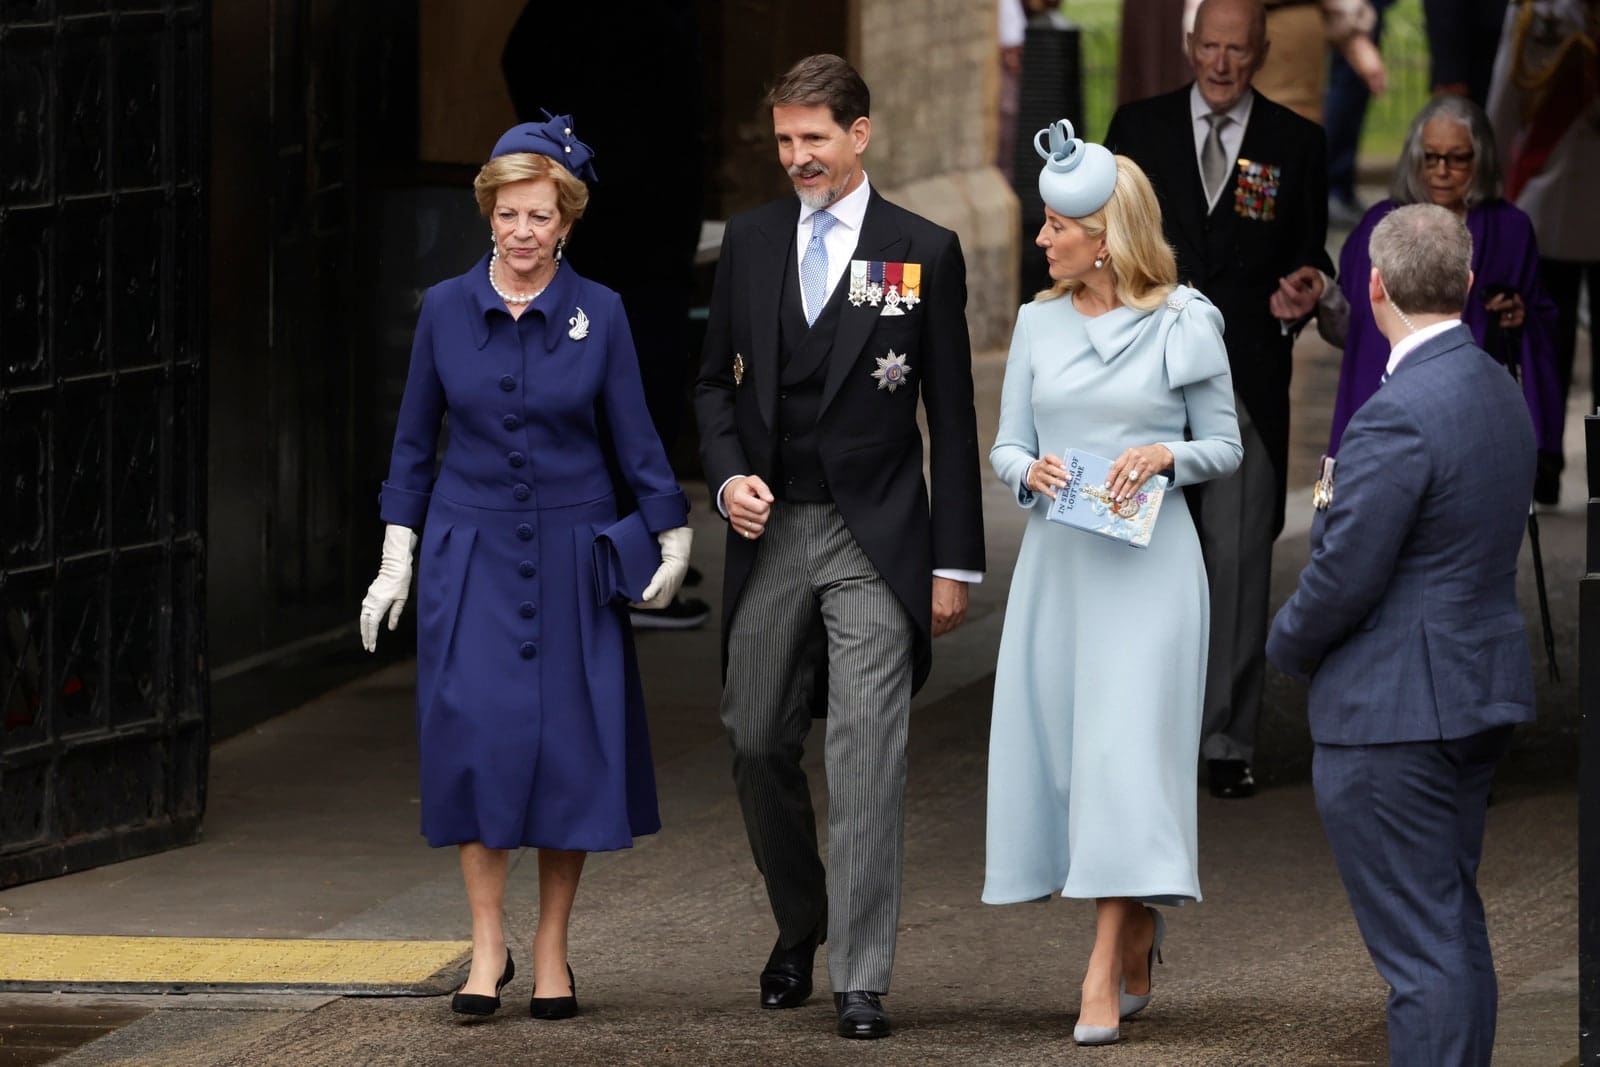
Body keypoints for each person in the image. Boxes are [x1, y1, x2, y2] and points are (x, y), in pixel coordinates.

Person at [359, 115, 693, 1021]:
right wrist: (398, 558)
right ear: (488, 215)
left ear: (567, 221)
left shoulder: (604, 314)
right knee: (476, 742)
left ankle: (551, 947)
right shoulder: (442, 308)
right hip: (469, 556)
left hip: (569, 554)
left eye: (539, 215)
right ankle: (486, 944)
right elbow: (412, 445)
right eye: (507, 213)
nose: (521, 230)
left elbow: (636, 435)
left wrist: (672, 532)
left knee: (567, 751)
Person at [693, 53, 986, 1041]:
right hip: (773, 529)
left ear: (858, 136)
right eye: (784, 140)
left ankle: (861, 974)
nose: (797, 157)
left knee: (866, 758)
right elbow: (710, 386)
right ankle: (801, 919)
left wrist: (954, 563)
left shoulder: (922, 249)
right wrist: (729, 476)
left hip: (877, 536)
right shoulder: (750, 240)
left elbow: (950, 408)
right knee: (754, 734)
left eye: (813, 138)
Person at [984, 121, 1242, 1048]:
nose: (1042, 240)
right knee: (1070, 754)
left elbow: (1227, 444)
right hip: (1062, 567)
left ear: (1105, 232)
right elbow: (1007, 443)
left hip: (1151, 573)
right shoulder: (1037, 321)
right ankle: (1134, 925)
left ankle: (1100, 968)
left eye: (1057, 226)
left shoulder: (1185, 318)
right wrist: (1031, 473)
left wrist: (1164, 453)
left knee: (1123, 756)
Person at [1268, 203, 1537, 1066]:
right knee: (1450, 929)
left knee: (1423, 954)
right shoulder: (1496, 382)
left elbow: (1344, 572)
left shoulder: (1395, 414)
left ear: (1373, 286)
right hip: (1468, 691)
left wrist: (1283, 645)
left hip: (1395, 711)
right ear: (1463, 285)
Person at [1105, 0, 1334, 799]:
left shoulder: (1296, 143)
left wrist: (1308, 284)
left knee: (1235, 562)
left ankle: (1225, 738)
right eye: (1211, 47)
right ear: (1188, 45)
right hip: (1145, 379)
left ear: (1262, 50)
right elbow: (1103, 237)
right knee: (1136, 554)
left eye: (1239, 49)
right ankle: (1140, 729)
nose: (1223, 63)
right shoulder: (1136, 129)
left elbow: (1311, 249)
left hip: (1242, 379)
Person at [501, 0, 712, 629]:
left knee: (630, 388)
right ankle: (624, 574)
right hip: (626, 226)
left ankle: (629, 552)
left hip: (630, 220)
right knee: (628, 394)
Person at [1317, 95, 1561, 486]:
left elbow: (1543, 323)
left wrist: (1520, 317)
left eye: (1457, 158)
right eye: (1430, 157)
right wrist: (1323, 297)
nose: (1441, 170)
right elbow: (1352, 325)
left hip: (1470, 410)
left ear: (1480, 159)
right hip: (1383, 403)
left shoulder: (1509, 229)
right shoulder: (1378, 224)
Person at [1487, 0, 1600, 504]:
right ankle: (1544, 463)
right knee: (1543, 343)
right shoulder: (1540, 11)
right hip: (1551, 196)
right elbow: (1506, 101)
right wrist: (1488, 184)